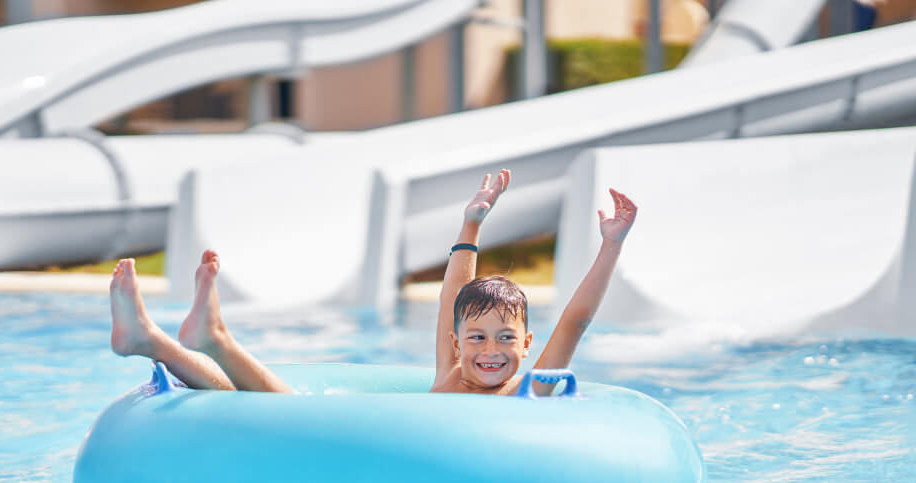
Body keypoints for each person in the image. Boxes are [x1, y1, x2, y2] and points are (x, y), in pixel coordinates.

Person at [108, 169, 636, 395]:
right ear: (457, 342)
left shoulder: (534, 389)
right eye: (476, 338)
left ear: (527, 344)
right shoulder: (452, 372)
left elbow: (577, 319)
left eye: (505, 338)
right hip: (377, 442)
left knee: (256, 397)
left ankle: (161, 341)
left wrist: (611, 244)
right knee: (258, 400)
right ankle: (181, 340)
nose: (490, 350)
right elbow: (454, 297)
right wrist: (472, 221)